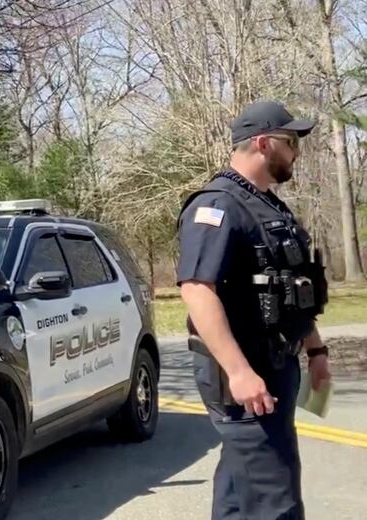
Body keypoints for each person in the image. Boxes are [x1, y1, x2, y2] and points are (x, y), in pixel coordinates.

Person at [176, 99, 333, 520]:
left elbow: (292, 287)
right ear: (263, 144)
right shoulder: (217, 207)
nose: (297, 150)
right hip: (243, 372)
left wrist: (315, 350)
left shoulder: (267, 205)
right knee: (274, 498)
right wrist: (239, 371)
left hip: (275, 362)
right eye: (290, 141)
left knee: (240, 486)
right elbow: (196, 289)